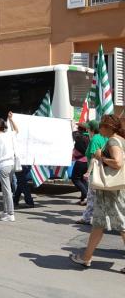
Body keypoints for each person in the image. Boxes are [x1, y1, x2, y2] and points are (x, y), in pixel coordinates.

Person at [70, 114, 125, 273]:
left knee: (122, 225)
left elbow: (118, 163)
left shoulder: (114, 141)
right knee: (98, 224)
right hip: (109, 192)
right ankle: (86, 258)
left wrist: (101, 157)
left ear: (108, 127)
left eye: (101, 125)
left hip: (111, 193)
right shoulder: (120, 140)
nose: (99, 128)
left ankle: (86, 258)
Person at [75, 120, 108, 226]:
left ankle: (86, 218)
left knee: (91, 197)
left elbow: (94, 158)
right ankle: (103, 218)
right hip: (104, 171)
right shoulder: (104, 138)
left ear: (92, 129)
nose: (86, 129)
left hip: (95, 172)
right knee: (101, 197)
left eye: (88, 128)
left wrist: (88, 172)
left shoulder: (94, 139)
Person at [0, 112, 18, 222]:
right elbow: (17, 130)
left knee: (6, 190)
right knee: (6, 189)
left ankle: (10, 213)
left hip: (2, 165)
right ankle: (6, 211)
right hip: (11, 164)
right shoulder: (9, 134)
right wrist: (11, 119)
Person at [71, 124, 90, 205]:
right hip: (86, 161)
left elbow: (74, 134)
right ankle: (83, 199)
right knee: (83, 179)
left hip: (81, 161)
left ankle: (86, 195)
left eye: (78, 128)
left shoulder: (80, 138)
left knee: (75, 178)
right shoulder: (88, 137)